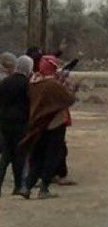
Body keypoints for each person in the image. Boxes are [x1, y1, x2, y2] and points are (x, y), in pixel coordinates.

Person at [19, 59, 76, 199]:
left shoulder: (33, 83)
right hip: (54, 124)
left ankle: (27, 186)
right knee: (52, 156)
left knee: (37, 156)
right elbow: (69, 99)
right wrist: (71, 89)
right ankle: (44, 188)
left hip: (38, 124)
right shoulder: (52, 85)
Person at [0, 53, 31, 195]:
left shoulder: (5, 82)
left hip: (4, 123)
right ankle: (18, 186)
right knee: (20, 155)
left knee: (6, 155)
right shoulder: (27, 85)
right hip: (21, 124)